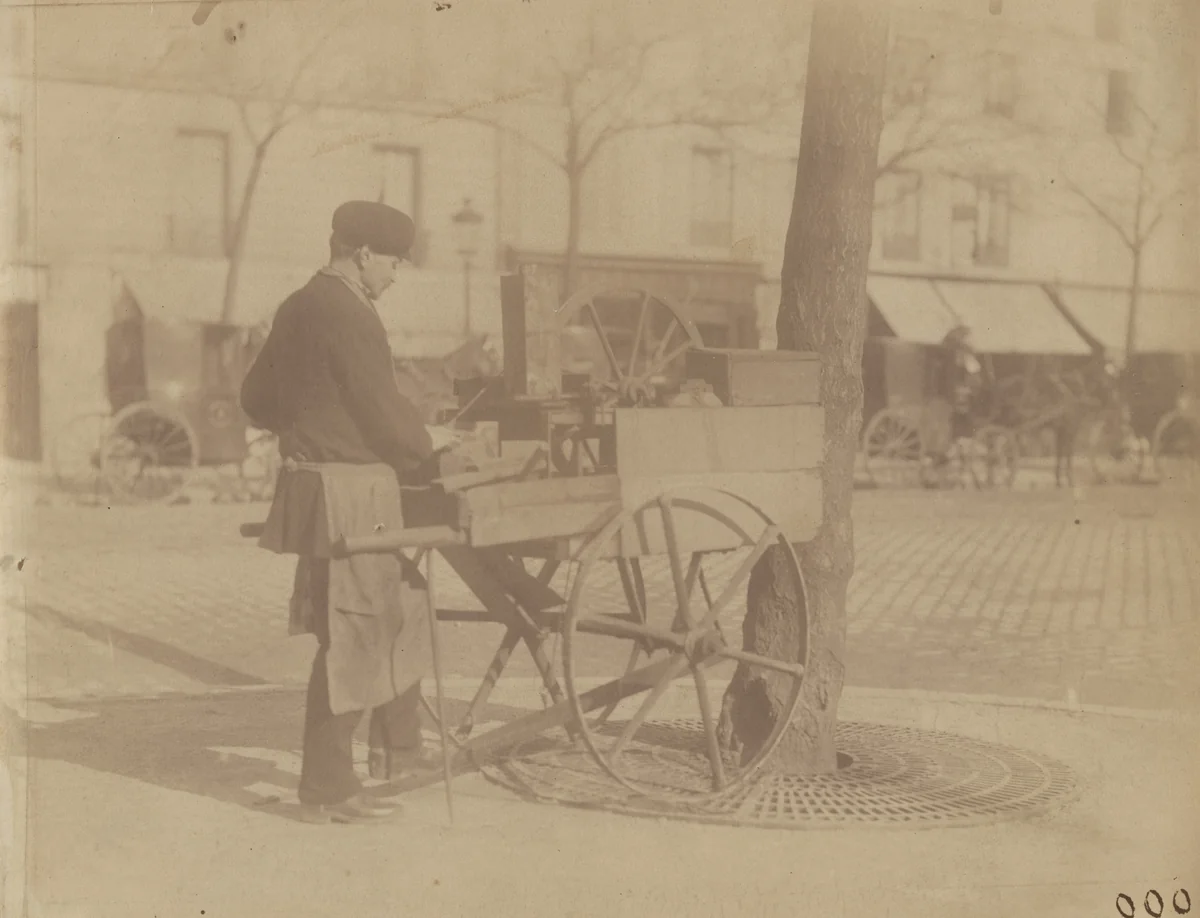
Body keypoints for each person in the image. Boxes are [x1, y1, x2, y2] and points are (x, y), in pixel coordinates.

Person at [240, 201, 443, 825]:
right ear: (362, 255)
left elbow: (255, 398)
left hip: (322, 487)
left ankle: (399, 749)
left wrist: (310, 426)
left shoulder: (297, 305)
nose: (394, 276)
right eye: (392, 262)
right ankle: (327, 788)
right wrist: (430, 450)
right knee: (350, 634)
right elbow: (382, 409)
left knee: (403, 600)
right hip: (352, 495)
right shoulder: (350, 313)